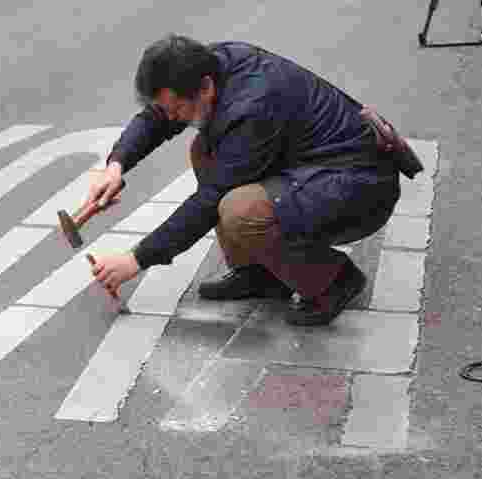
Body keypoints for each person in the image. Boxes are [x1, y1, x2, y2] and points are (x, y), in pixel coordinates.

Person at [87, 35, 402, 326]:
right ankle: (261, 273)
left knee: (240, 210)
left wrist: (136, 259)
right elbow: (158, 115)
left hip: (359, 184)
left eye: (177, 109)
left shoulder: (252, 107)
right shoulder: (209, 64)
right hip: (316, 168)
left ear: (206, 87)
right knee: (206, 151)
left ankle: (332, 280)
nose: (172, 118)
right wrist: (116, 165)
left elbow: (210, 200)